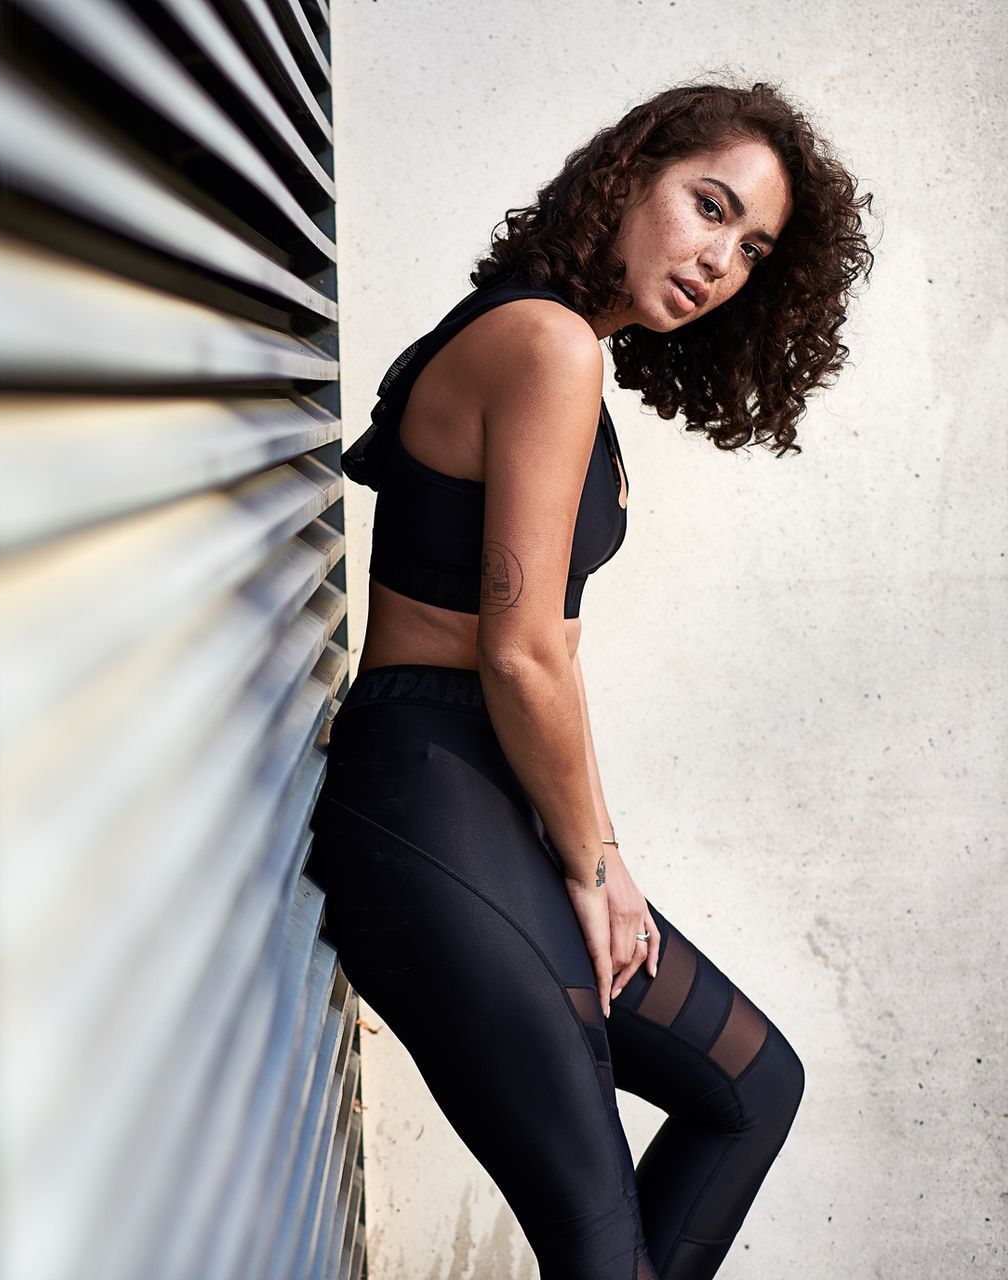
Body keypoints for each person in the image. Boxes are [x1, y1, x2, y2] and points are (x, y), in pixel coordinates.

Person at [308, 82, 876, 1279]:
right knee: (600, 1249)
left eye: (752, 246)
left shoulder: (562, 345)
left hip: (482, 785)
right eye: (708, 206)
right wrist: (596, 862)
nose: (720, 258)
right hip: (426, 796)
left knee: (751, 1084)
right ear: (629, 177)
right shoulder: (546, 341)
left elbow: (547, 659)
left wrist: (598, 853)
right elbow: (516, 653)